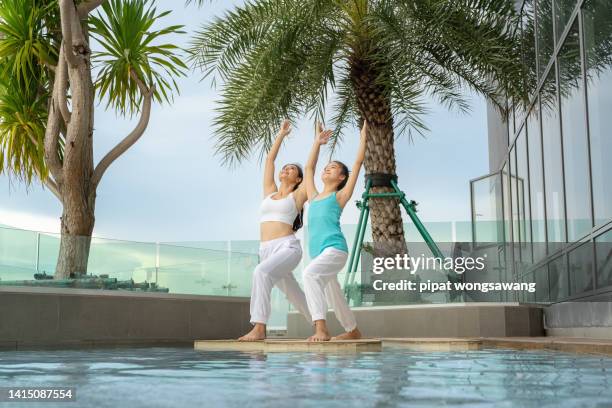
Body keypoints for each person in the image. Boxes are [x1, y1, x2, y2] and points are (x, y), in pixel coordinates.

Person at [238, 120, 312, 341]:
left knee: (260, 273)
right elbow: (270, 160)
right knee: (294, 293)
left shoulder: (298, 195)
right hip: (266, 249)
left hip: (287, 247)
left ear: (298, 179)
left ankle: (259, 328)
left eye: (292, 169)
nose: (286, 169)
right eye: (285, 167)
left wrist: (316, 142)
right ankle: (321, 326)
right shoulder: (269, 192)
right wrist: (280, 134)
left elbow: (309, 169)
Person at [302, 120, 367, 341]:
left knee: (310, 275)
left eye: (333, 168)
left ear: (341, 178)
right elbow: (309, 168)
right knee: (334, 293)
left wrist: (363, 138)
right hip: (320, 253)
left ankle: (321, 328)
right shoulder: (313, 196)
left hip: (335, 249)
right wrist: (317, 143)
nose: (326, 168)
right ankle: (353, 331)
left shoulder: (339, 196)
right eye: (326, 167)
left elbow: (357, 164)